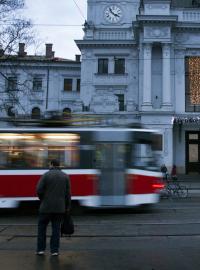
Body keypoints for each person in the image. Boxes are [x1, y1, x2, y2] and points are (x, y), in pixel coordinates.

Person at [36, 159, 71, 256]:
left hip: (45, 207)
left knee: (41, 228)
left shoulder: (46, 175)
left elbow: (39, 189)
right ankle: (54, 250)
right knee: (56, 230)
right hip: (59, 208)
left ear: (51, 165)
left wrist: (42, 199)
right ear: (59, 165)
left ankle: (40, 250)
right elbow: (68, 194)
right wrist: (67, 207)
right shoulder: (65, 176)